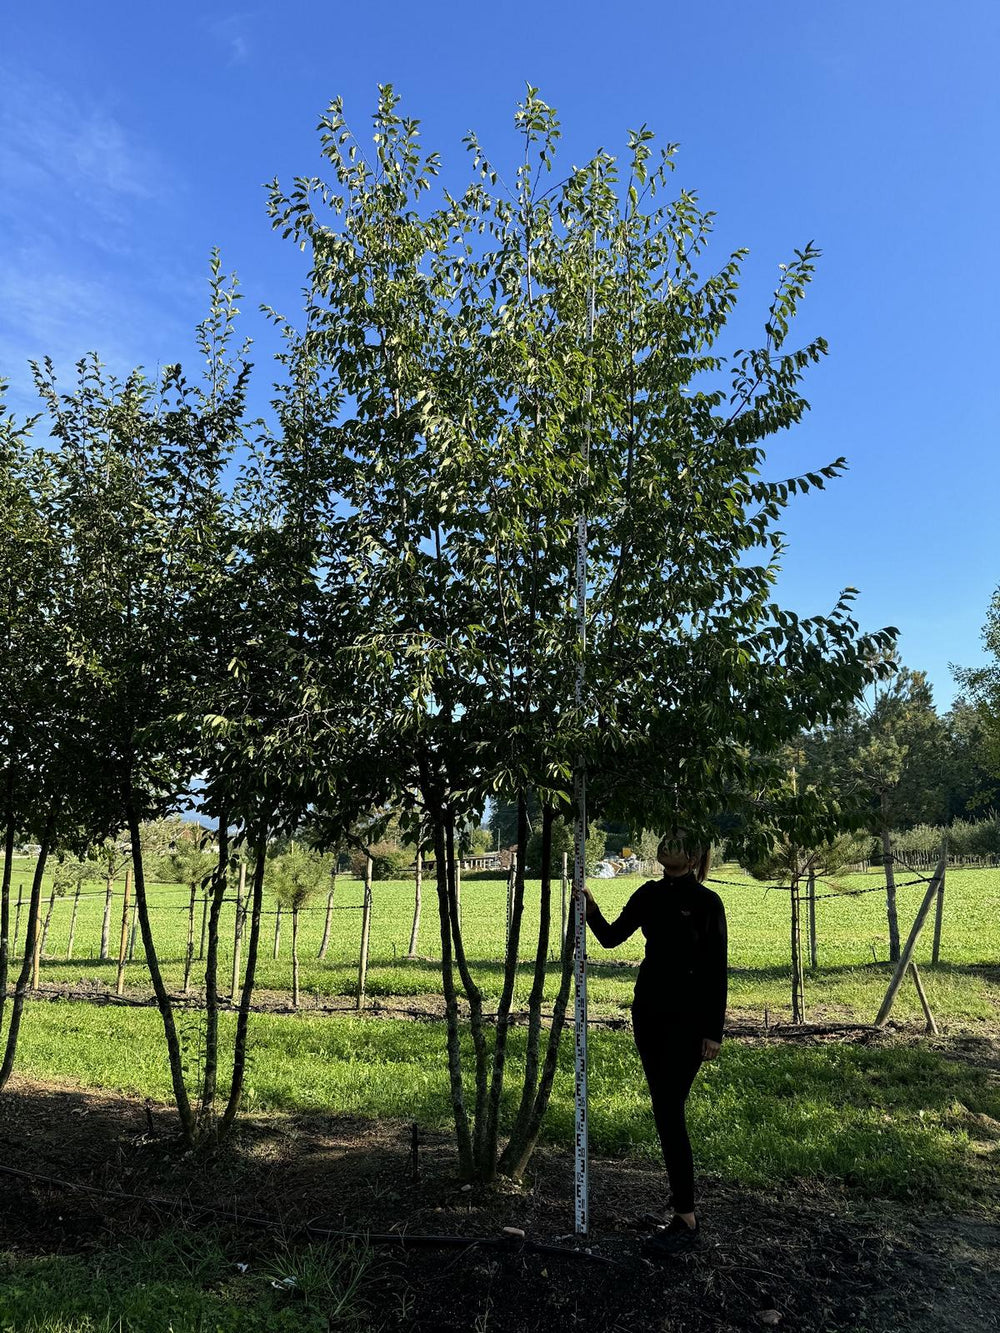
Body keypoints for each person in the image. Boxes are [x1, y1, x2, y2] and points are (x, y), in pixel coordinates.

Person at [584, 836, 727, 1256]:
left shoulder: (706, 902)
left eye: (680, 842)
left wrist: (713, 1030)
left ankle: (686, 1216)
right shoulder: (647, 893)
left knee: (669, 1110)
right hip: (648, 1013)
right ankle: (680, 1203)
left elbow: (716, 969)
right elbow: (611, 938)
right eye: (665, 838)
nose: (668, 845)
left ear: (695, 855)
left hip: (688, 1021)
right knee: (664, 1109)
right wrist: (590, 910)